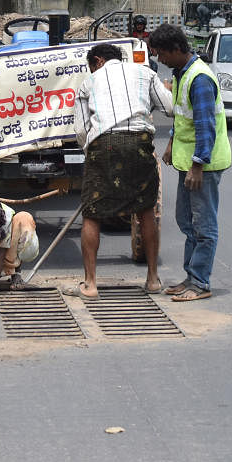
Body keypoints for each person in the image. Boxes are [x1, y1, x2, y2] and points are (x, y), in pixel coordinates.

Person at [64, 43, 173, 298]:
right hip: (140, 142)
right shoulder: (146, 73)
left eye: (92, 66)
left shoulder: (88, 83)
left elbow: (81, 131)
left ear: (99, 61)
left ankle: (90, 284)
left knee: (92, 213)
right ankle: (153, 279)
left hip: (104, 143)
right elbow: (169, 107)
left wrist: (92, 152)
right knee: (146, 210)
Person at [148, 24, 232, 302]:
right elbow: (183, 118)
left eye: (161, 54)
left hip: (203, 166)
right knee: (186, 221)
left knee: (203, 225)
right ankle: (191, 276)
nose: (160, 60)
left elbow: (205, 125)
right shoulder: (181, 73)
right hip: (188, 162)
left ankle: (200, 282)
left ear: (175, 49)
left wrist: (198, 165)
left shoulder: (199, 79)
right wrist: (172, 144)